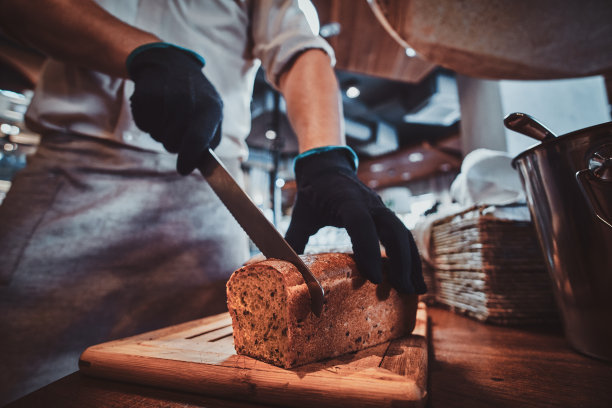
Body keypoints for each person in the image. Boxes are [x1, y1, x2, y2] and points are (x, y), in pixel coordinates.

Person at [0, 0, 426, 404]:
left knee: (217, 380)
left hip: (207, 207)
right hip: (68, 188)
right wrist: (139, 51)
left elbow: (300, 48)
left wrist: (328, 157)